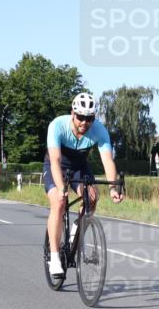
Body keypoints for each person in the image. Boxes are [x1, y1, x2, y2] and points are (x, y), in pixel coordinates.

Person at [44, 93, 123, 279]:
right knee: (59, 203)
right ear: (73, 114)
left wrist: (112, 188)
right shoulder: (57, 125)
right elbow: (55, 161)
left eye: (89, 118)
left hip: (79, 167)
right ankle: (54, 257)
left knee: (92, 197)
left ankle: (76, 231)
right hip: (57, 166)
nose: (84, 122)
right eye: (80, 117)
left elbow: (107, 160)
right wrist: (62, 188)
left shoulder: (99, 130)